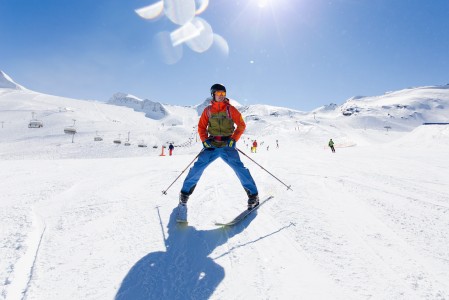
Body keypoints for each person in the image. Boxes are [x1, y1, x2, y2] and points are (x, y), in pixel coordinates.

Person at [177, 84, 259, 221]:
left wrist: (234, 139)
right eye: (218, 93)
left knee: (240, 169)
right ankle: (184, 194)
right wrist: (204, 140)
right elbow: (201, 127)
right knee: (197, 168)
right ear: (213, 95)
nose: (221, 96)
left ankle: (253, 196)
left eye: (223, 93)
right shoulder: (208, 111)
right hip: (212, 145)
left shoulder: (230, 110)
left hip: (227, 145)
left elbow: (241, 125)